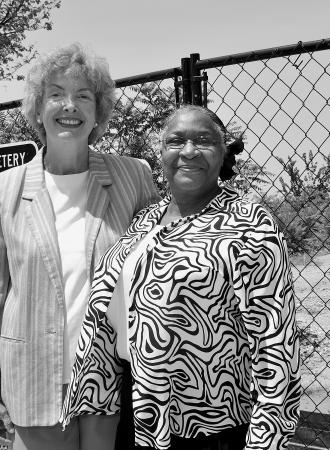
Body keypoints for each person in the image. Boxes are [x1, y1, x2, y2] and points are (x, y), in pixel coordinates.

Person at [61, 105, 302, 450]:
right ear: (161, 154)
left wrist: (266, 441)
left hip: (207, 423)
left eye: (203, 140)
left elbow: (275, 347)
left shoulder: (249, 225)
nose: (188, 151)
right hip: (134, 405)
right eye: (176, 141)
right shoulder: (145, 220)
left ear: (223, 153)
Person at [0, 42, 159, 450]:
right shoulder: (1, 191)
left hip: (109, 376)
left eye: (83, 96)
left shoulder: (134, 178)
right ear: (38, 109)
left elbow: (160, 265)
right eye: (55, 93)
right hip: (33, 374)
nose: (68, 105)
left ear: (98, 113)